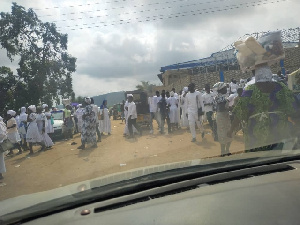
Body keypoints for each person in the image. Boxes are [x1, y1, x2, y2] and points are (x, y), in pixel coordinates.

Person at [228, 63, 298, 151]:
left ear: (256, 75)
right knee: (279, 158)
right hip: (279, 135)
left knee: (258, 160)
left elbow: (240, 112)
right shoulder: (281, 87)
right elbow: (293, 108)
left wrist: (231, 129)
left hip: (256, 136)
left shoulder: (250, 89)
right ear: (269, 73)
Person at [213, 82, 232, 156]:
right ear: (221, 89)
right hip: (222, 116)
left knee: (225, 132)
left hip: (223, 116)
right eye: (224, 88)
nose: (226, 89)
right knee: (224, 133)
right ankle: (224, 150)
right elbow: (223, 108)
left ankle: (225, 150)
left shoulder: (220, 97)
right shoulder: (220, 98)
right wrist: (231, 108)